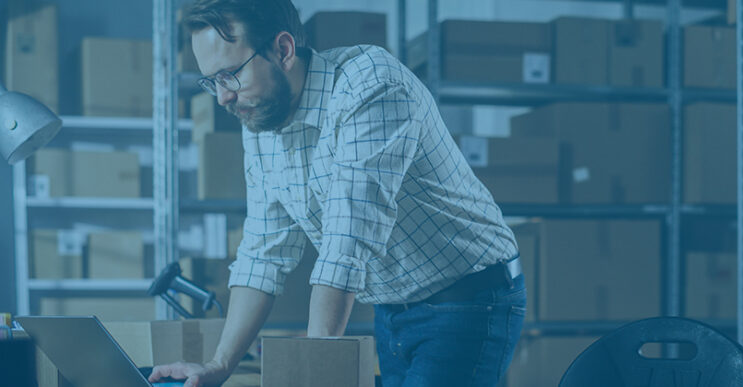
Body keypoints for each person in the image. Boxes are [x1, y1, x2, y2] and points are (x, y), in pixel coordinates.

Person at [148, 1, 525, 386]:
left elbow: (346, 242)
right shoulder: (261, 121)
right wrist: (218, 366)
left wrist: (314, 366)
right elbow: (263, 252)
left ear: (283, 50)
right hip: (394, 305)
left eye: (229, 75)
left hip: (468, 296)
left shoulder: (371, 86)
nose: (222, 98)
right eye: (212, 81)